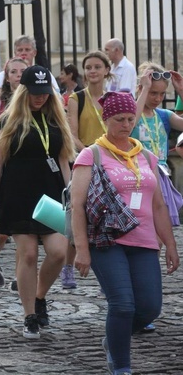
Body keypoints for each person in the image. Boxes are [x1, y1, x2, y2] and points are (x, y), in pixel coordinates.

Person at [71, 91, 179, 375]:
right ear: (106, 119)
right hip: (106, 240)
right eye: (119, 119)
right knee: (122, 304)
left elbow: (158, 204)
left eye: (131, 118)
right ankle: (121, 366)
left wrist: (170, 244)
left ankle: (114, 339)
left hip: (143, 240)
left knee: (149, 308)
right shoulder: (91, 155)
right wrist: (82, 249)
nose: (126, 124)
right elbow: (77, 206)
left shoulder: (145, 156)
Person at [0, 65, 76, 339]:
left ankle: (39, 296)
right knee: (29, 254)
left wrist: (72, 197)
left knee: (58, 252)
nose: (40, 97)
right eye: (35, 92)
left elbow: (63, 161)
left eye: (44, 92)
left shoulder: (57, 119)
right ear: (24, 91)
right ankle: (29, 315)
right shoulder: (9, 120)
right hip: (17, 196)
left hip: (51, 194)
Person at [64, 51, 113, 289]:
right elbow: (72, 134)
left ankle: (109, 267)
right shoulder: (77, 98)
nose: (92, 71)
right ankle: (67, 265)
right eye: (88, 67)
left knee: (109, 216)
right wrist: (91, 154)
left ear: (106, 70)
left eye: (97, 67)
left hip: (110, 163)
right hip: (85, 161)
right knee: (78, 212)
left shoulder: (112, 97)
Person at [0, 57, 27, 289]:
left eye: (22, 71)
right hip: (3, 170)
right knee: (1, 232)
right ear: (7, 76)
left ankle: (22, 277)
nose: (18, 75)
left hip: (26, 173)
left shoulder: (36, 101)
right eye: (13, 71)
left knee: (24, 232)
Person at [132, 63, 183, 227]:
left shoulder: (164, 115)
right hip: (137, 177)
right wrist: (145, 88)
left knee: (159, 231)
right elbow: (132, 122)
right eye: (153, 93)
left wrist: (181, 91)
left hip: (160, 177)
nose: (158, 99)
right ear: (141, 88)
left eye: (162, 94)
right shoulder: (131, 113)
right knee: (141, 226)